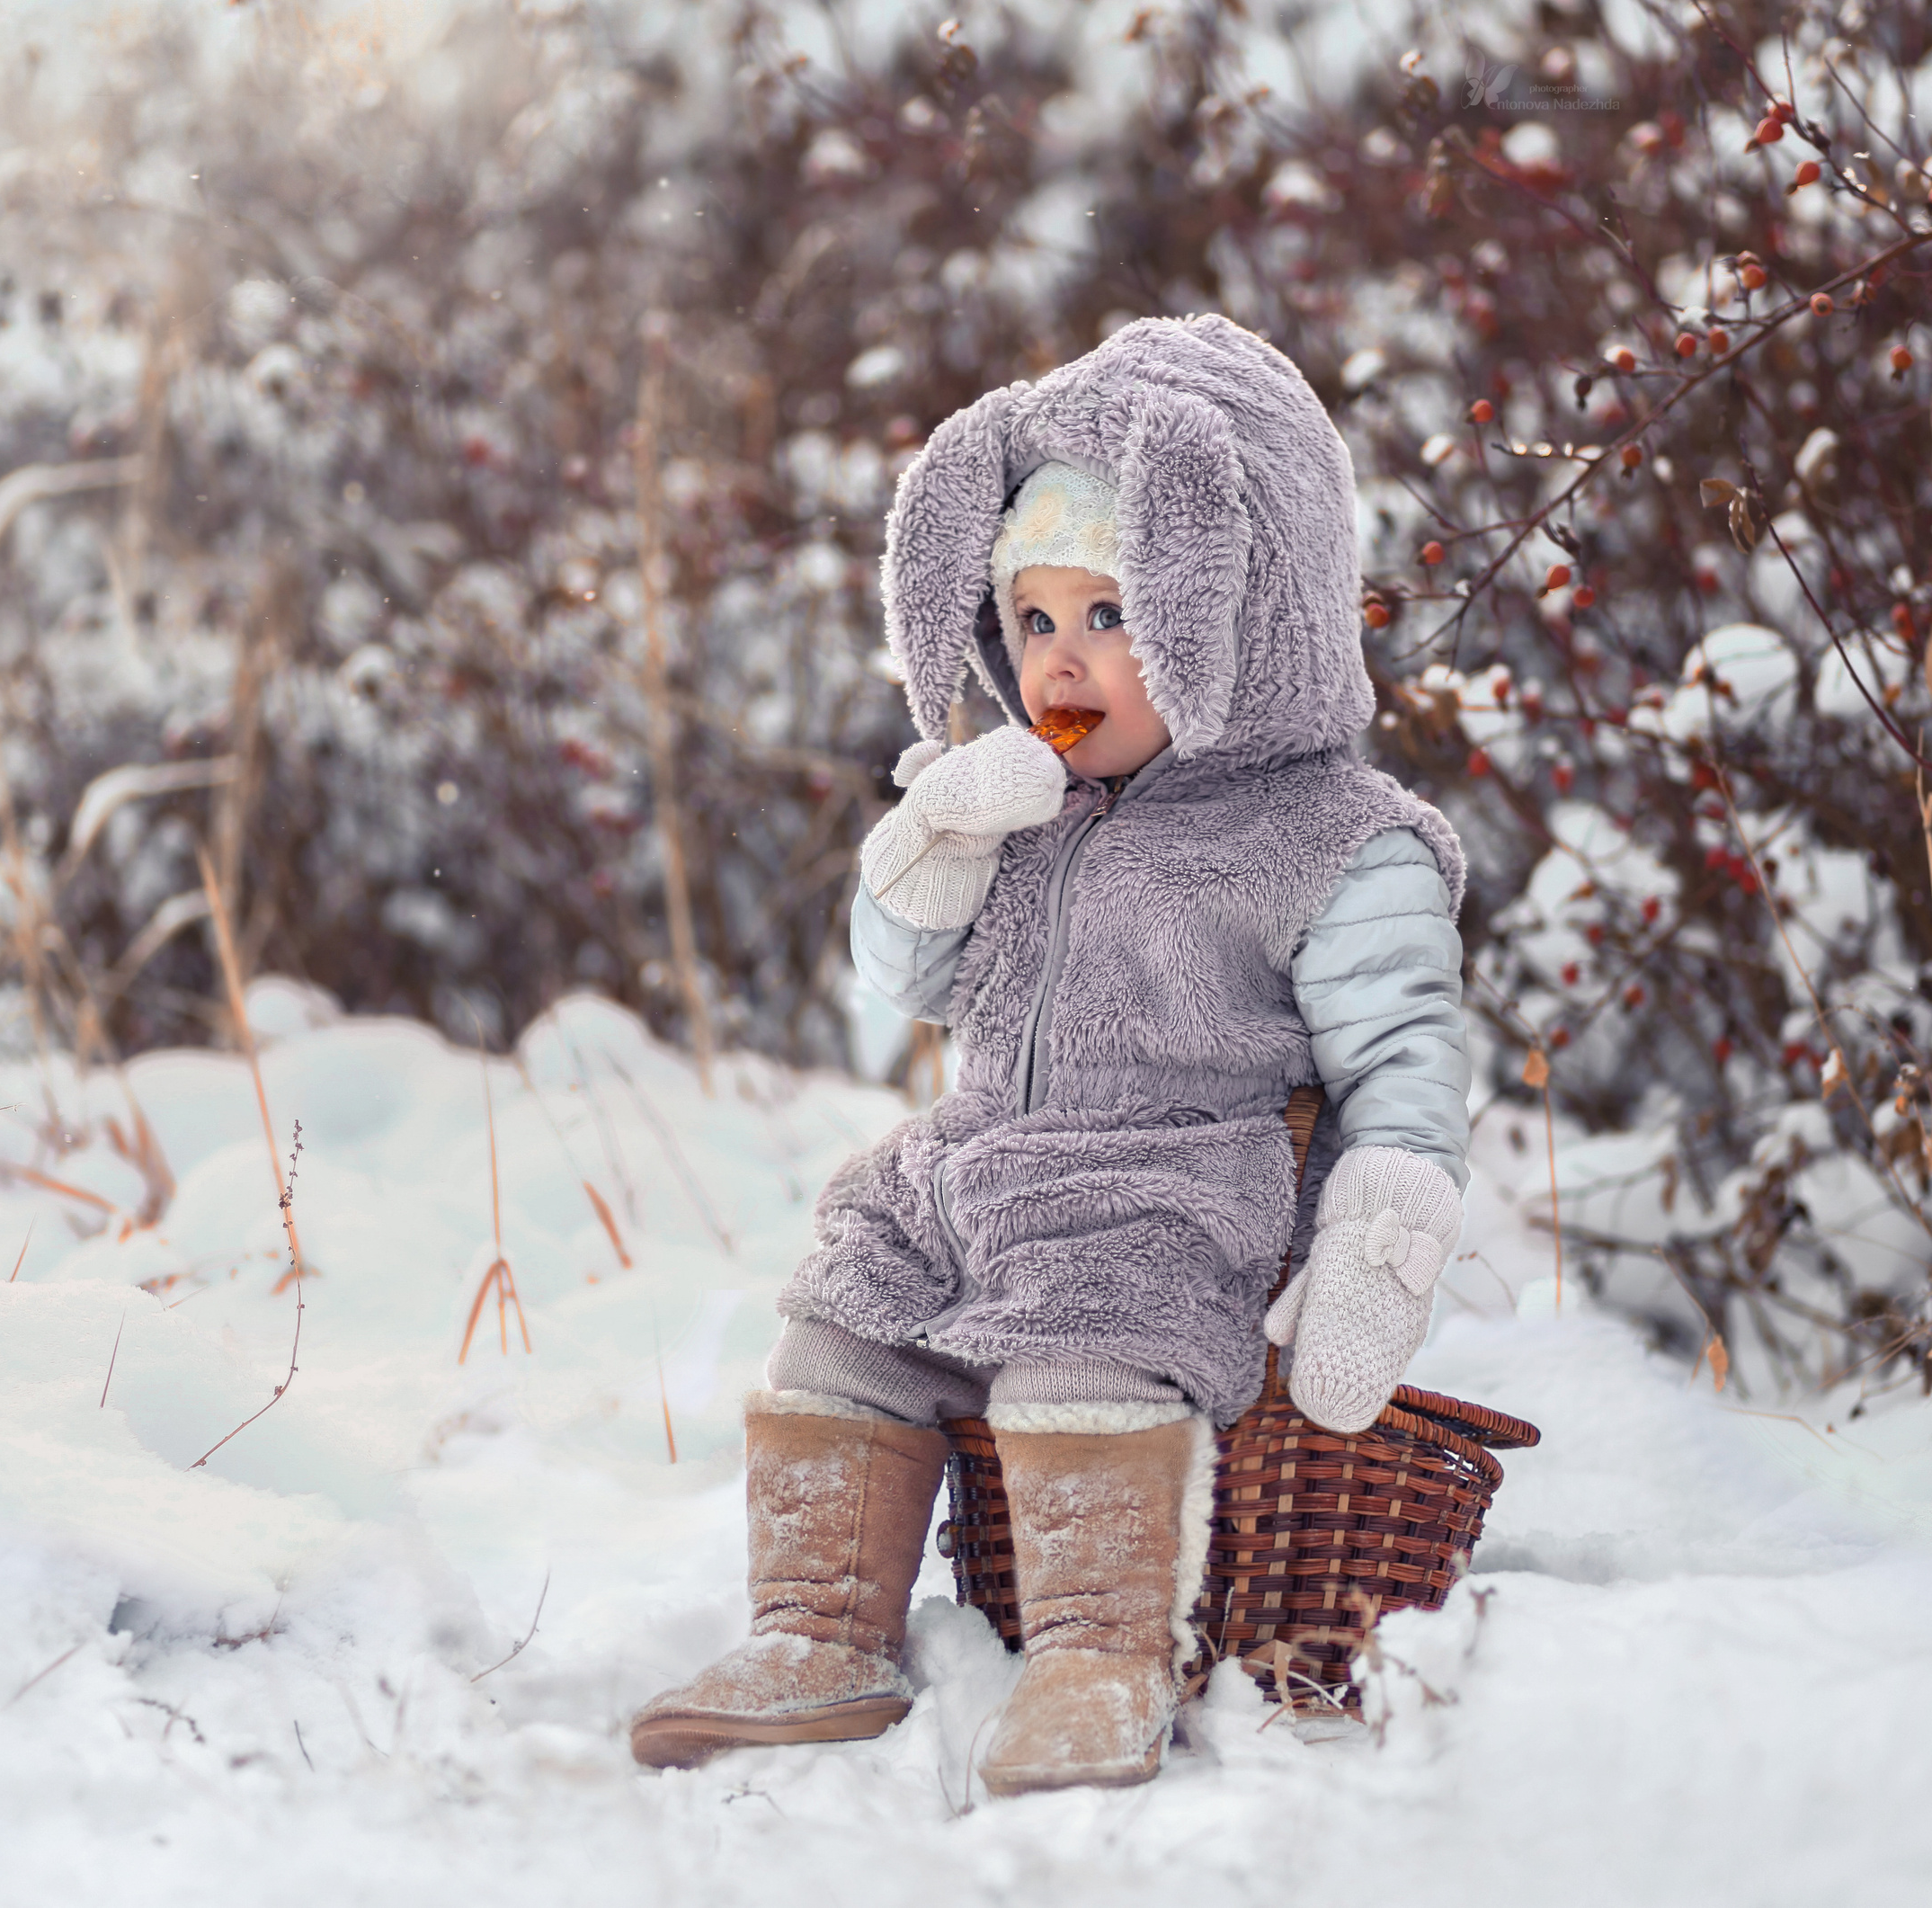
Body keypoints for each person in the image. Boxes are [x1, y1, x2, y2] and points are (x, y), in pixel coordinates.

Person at [629, 315, 1470, 1794]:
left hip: (1173, 1185)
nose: (1059, 664)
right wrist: (942, 833)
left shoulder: (1330, 838)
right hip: (975, 1169)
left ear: (1241, 612)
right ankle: (819, 1627)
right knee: (846, 1304)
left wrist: (1382, 1236)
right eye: (1032, 623)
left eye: (1112, 615)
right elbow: (904, 975)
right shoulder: (1022, 803)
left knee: (1086, 1330)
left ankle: (1100, 1649)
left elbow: (1406, 1050)